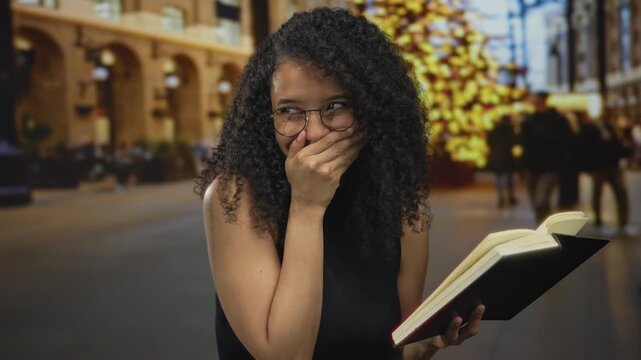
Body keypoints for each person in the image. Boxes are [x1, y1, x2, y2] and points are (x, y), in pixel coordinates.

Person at [195, 8, 484, 360]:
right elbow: (286, 355)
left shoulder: (403, 209)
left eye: (335, 106)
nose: (313, 132)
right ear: (265, 115)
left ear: (371, 109)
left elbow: (399, 349)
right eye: (289, 110)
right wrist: (307, 206)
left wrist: (428, 342)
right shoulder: (235, 198)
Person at [578, 112, 635, 236]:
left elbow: (618, 148)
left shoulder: (613, 129)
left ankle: (622, 223)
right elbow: (588, 148)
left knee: (619, 194)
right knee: (599, 194)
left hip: (612, 166)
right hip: (601, 168)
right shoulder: (594, 129)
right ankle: (600, 223)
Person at [520, 91, 573, 223]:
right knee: (536, 200)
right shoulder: (529, 120)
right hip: (533, 166)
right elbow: (524, 143)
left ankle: (546, 226)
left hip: (550, 166)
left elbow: (566, 141)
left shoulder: (557, 120)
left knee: (541, 199)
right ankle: (545, 225)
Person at [486, 115, 519, 208]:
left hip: (496, 156)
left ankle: (501, 196)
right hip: (507, 155)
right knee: (509, 177)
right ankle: (510, 196)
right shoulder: (509, 130)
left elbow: (489, 142)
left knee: (499, 176)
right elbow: (515, 141)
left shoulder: (494, 130)